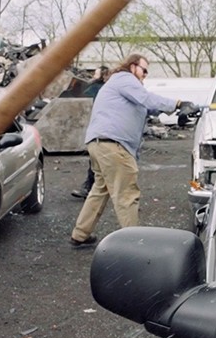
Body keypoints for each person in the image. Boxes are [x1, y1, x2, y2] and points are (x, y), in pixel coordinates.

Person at [70, 54, 198, 248]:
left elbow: (147, 107)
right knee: (127, 195)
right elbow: (147, 98)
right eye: (143, 70)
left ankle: (80, 234)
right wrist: (178, 104)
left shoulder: (120, 85)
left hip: (100, 144)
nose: (145, 74)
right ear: (132, 66)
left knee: (100, 190)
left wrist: (178, 112)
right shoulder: (125, 79)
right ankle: (134, 244)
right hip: (114, 145)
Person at [71, 65, 110, 199]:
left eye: (96, 73)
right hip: (103, 130)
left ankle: (90, 188)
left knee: (96, 161)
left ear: (102, 75)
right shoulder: (105, 89)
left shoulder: (96, 89)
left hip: (100, 130)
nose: (93, 76)